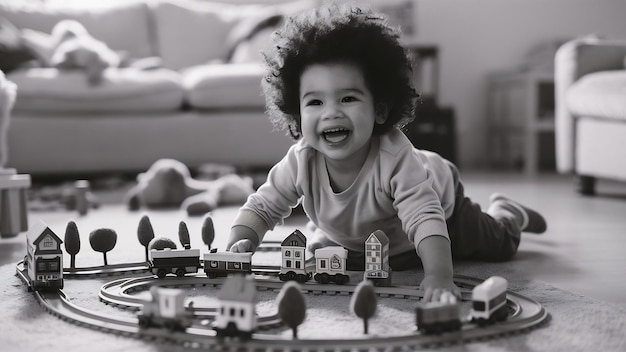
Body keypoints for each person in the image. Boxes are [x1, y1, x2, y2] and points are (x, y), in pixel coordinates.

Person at [225, 4, 546, 302]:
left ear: (379, 110)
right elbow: (264, 206)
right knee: (338, 259)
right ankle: (332, 236)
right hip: (369, 239)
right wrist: (240, 243)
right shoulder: (301, 160)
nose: (331, 113)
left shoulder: (393, 159)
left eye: (348, 99)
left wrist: (439, 276)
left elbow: (423, 216)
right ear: (296, 113)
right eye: (315, 102)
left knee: (497, 244)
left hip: (444, 210)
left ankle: (507, 213)